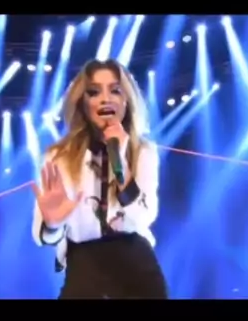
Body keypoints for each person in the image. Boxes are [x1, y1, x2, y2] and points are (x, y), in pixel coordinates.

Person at [31, 58, 168, 299]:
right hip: (84, 264)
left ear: (127, 100)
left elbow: (144, 217)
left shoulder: (143, 151)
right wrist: (53, 223)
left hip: (137, 265)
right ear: (82, 103)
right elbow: (45, 237)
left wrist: (119, 158)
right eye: (94, 92)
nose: (105, 99)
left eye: (115, 90)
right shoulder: (58, 156)